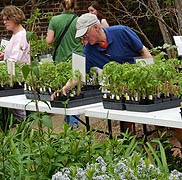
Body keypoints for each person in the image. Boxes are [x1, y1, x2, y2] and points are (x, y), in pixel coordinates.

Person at [51, 13, 152, 134]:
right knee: (126, 121)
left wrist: (151, 76)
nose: (84, 39)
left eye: (85, 34)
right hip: (121, 89)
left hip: (142, 81)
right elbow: (77, 75)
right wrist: (64, 89)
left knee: (160, 117)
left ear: (95, 27)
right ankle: (131, 147)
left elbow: (143, 51)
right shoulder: (89, 51)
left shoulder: (121, 32)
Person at [46, 0, 82, 128]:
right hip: (76, 56)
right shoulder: (78, 20)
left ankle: (68, 122)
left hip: (60, 58)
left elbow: (49, 41)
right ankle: (73, 122)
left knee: (63, 89)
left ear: (61, 5)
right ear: (75, 5)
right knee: (74, 89)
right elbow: (84, 39)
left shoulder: (55, 20)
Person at [0, 5, 30, 123]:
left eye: (7, 19)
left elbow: (15, 59)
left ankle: (24, 131)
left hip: (18, 77)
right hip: (14, 75)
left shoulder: (21, 35)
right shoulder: (15, 35)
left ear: (15, 18)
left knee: (19, 109)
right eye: (4, 19)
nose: (4, 22)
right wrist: (4, 55)